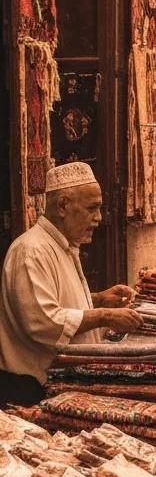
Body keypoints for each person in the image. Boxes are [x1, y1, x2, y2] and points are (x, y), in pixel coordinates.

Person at [0, 163, 143, 404]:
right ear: (63, 206)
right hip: (32, 387)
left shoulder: (62, 245)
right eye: (92, 208)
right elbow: (42, 322)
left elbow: (54, 299)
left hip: (55, 381)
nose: (99, 217)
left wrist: (97, 299)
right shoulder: (31, 251)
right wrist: (103, 316)